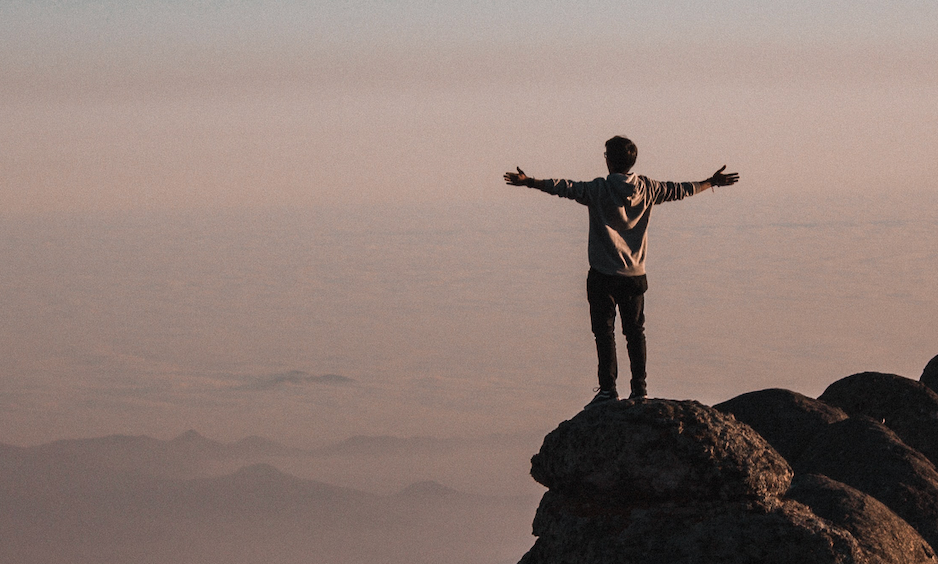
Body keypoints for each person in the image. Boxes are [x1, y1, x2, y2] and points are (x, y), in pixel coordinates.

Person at [504, 136, 739, 409]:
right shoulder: (648, 188)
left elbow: (564, 188)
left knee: (605, 334)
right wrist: (711, 182)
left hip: (603, 275)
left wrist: (529, 181)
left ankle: (608, 390)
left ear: (609, 160)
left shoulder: (598, 189)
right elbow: (681, 189)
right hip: (635, 275)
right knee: (635, 333)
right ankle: (639, 390)